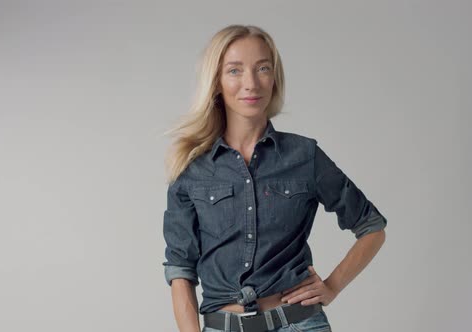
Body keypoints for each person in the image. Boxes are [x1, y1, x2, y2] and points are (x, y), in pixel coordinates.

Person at [162, 24, 387, 332]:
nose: (251, 83)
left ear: (274, 77)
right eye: (235, 71)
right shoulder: (191, 168)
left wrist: (332, 286)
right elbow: (180, 270)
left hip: (299, 324)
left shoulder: (304, 155)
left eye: (262, 68)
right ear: (216, 81)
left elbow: (372, 228)